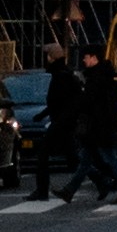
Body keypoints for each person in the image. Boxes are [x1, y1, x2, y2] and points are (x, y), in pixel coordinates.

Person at [77, 47, 117, 202]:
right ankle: (71, 189)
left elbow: (88, 102)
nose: (84, 60)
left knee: (109, 157)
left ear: (94, 58)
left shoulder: (96, 79)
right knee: (86, 158)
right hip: (102, 126)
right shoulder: (106, 78)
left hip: (99, 127)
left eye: (86, 57)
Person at [25, 45, 78, 204]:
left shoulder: (60, 76)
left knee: (43, 155)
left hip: (61, 123)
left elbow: (59, 102)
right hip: (64, 122)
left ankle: (42, 190)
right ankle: (102, 182)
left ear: (53, 57)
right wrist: (42, 115)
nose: (46, 59)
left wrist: (45, 115)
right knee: (74, 159)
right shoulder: (63, 74)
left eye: (48, 56)